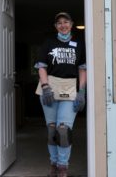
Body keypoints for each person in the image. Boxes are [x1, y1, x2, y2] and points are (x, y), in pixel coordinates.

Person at [34, 12, 86, 177]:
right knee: (52, 130)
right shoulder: (49, 42)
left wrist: (82, 91)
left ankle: (63, 168)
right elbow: (41, 66)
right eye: (59, 23)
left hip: (70, 88)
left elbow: (82, 69)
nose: (63, 25)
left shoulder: (79, 44)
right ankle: (54, 166)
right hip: (49, 86)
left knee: (63, 130)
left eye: (66, 22)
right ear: (56, 26)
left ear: (71, 24)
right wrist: (45, 86)